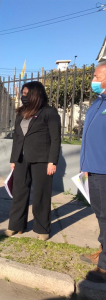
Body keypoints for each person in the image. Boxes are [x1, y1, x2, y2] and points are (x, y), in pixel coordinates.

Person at [5, 81, 61, 241]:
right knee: (19, 193)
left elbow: (56, 138)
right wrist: (13, 158)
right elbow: (17, 137)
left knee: (41, 195)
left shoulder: (49, 112)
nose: (22, 96)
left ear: (35, 94)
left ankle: (42, 228)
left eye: (25, 93)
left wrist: (53, 161)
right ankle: (16, 225)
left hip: (42, 160)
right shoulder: (21, 113)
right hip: (21, 160)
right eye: (22, 94)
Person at [79, 61, 106, 283]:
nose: (93, 81)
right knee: (101, 215)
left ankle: (105, 267)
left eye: (97, 77)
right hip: (93, 169)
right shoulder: (98, 103)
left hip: (104, 170)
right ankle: (103, 250)